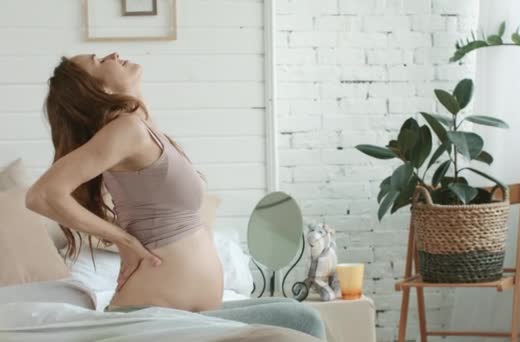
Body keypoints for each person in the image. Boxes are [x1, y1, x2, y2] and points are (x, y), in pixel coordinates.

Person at [25, 52, 325, 340]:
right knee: (303, 321)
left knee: (298, 315)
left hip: (183, 313)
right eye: (100, 61)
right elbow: (41, 195)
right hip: (150, 316)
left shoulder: (141, 128)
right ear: (96, 88)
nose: (114, 54)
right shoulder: (126, 130)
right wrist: (123, 240)